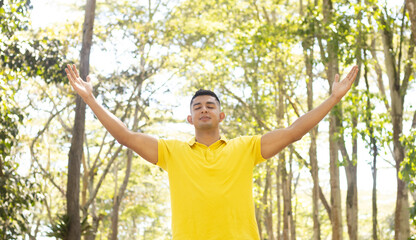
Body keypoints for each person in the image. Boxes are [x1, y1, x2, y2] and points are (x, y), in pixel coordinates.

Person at [65, 64, 359, 239]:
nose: (204, 109)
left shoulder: (246, 147)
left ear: (221, 116)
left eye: (210, 106)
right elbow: (126, 137)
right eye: (197, 107)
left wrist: (332, 99)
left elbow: (293, 132)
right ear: (190, 119)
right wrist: (90, 99)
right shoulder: (171, 151)